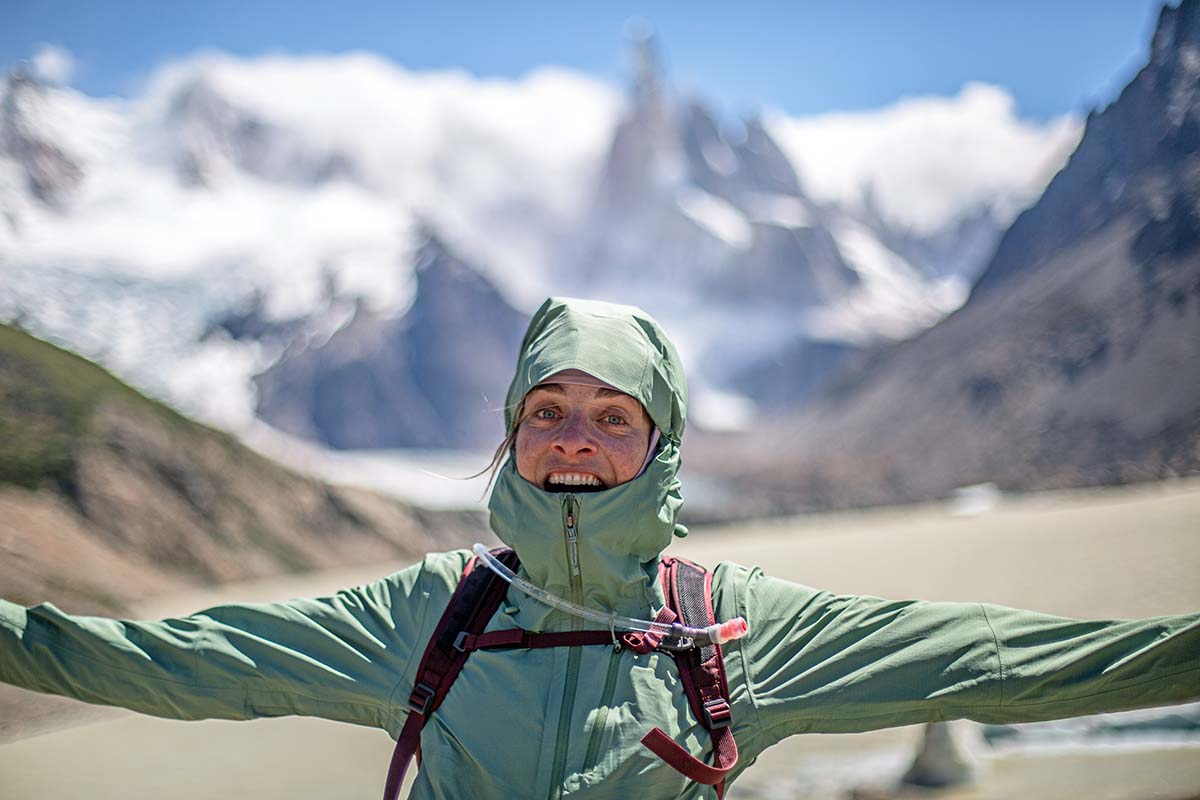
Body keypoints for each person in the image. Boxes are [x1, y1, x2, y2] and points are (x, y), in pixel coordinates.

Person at [1, 296, 1197, 800]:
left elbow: (1002, 658)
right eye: (548, 409)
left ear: (659, 441)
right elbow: (168, 660)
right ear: (513, 430)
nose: (576, 440)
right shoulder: (432, 611)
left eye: (613, 414)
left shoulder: (731, 620)